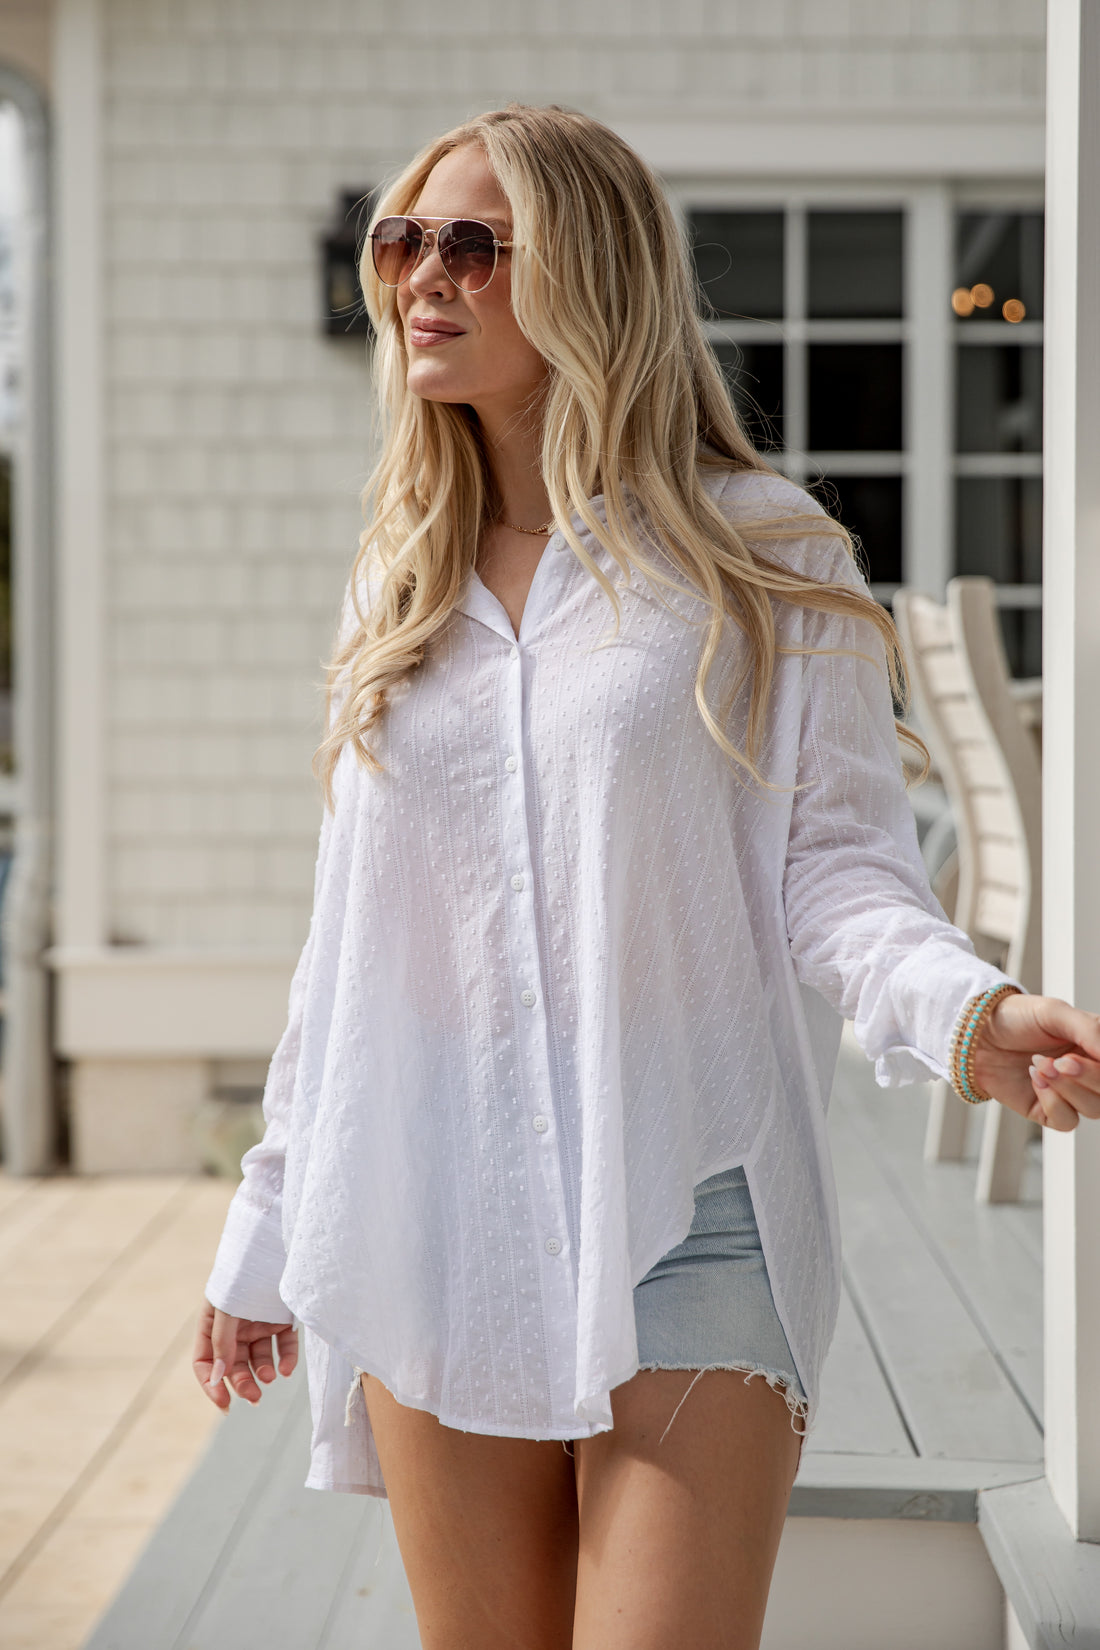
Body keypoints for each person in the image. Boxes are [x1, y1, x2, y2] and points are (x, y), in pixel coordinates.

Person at [194, 104, 1100, 1650]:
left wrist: (966, 1009)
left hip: (693, 1208)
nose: (425, 277)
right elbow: (350, 947)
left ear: (591, 277)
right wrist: (264, 1222)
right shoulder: (397, 579)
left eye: (473, 245)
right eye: (403, 242)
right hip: (437, 1206)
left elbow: (838, 872)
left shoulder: (764, 557)